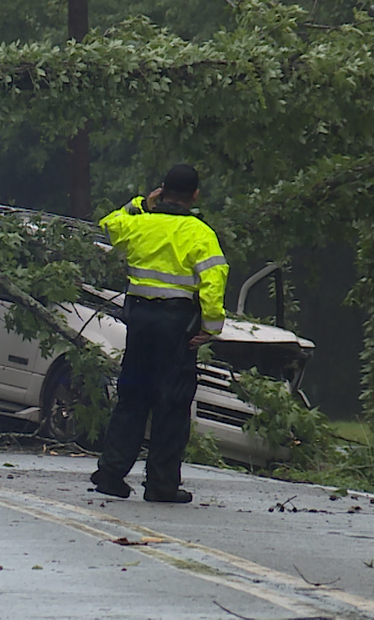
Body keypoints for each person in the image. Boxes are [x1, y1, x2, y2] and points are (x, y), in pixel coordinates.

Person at [90, 163, 228, 503]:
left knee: (132, 396)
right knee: (172, 402)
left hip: (139, 321)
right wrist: (210, 329)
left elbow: (109, 223)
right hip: (176, 326)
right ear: (195, 195)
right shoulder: (200, 234)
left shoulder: (140, 224)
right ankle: (161, 484)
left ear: (162, 189)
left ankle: (110, 473)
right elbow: (213, 283)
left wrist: (140, 204)